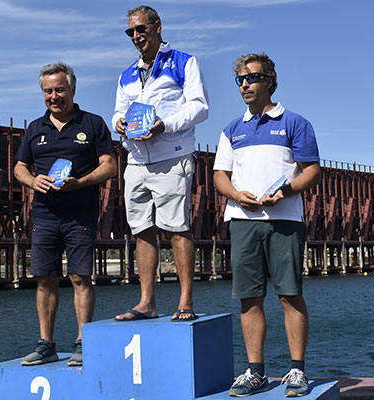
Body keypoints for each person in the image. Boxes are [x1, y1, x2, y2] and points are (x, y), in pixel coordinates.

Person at [213, 53, 321, 397]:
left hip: (285, 220)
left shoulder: (294, 123)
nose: (245, 84)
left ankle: (297, 371)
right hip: (243, 220)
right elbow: (219, 175)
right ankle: (255, 372)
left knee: (290, 295)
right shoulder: (232, 129)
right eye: (240, 80)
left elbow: (312, 170)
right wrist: (235, 195)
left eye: (252, 78)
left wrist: (286, 191)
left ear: (270, 81)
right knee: (249, 298)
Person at [14, 62, 117, 367]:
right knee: (44, 279)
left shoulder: (93, 123)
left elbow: (110, 165)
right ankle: (46, 344)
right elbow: (19, 167)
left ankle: (82, 342)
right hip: (45, 215)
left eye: (60, 89)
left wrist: (79, 183)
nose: (54, 96)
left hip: (80, 214)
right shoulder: (35, 128)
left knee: (79, 277)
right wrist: (33, 180)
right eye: (48, 91)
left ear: (73, 89)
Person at [112, 5, 209, 322]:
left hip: (172, 157)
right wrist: (119, 123)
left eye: (141, 29)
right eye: (131, 32)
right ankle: (146, 303)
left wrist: (164, 125)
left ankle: (185, 301)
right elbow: (118, 111)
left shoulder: (183, 61)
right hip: (136, 160)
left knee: (178, 227)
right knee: (141, 230)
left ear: (157, 27)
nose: (136, 36)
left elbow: (199, 107)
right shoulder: (126, 74)